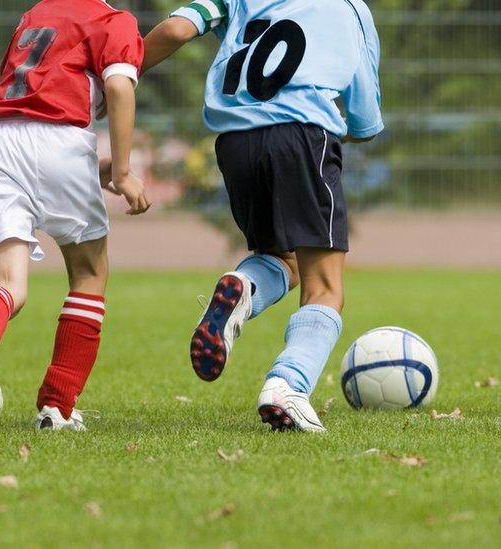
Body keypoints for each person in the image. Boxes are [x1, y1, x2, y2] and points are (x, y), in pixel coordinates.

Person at [143, 0, 383, 431]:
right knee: (325, 287)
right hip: (303, 135)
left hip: (234, 142)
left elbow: (177, 31)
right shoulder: (350, 8)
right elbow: (364, 122)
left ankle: (244, 286)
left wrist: (120, 76)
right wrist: (354, 126)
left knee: (280, 258)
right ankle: (287, 386)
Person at [0, 0, 150, 430]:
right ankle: (57, 408)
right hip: (59, 138)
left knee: (5, 283)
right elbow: (118, 88)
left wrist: (90, 171)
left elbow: (33, 104)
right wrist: (125, 170)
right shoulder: (115, 20)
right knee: (89, 274)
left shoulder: (36, 14)